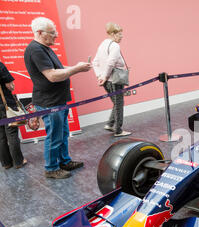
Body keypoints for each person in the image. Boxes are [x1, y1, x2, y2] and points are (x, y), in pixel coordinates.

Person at [24, 17, 91, 179]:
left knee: (62, 133)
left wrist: (76, 67)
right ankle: (51, 168)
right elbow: (52, 76)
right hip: (49, 102)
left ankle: (64, 161)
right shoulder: (36, 50)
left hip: (57, 100)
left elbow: (58, 69)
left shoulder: (45, 47)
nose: (55, 36)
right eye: (52, 33)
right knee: (54, 135)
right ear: (40, 33)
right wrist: (77, 69)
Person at [93, 22, 131, 137]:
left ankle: (110, 124)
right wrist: (104, 76)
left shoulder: (103, 44)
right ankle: (118, 130)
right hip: (114, 79)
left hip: (106, 81)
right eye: (120, 34)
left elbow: (95, 62)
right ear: (113, 34)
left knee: (116, 103)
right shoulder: (114, 45)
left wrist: (99, 76)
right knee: (119, 103)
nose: (122, 36)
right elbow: (110, 62)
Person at [0, 61, 27, 170]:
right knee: (11, 133)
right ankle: (18, 161)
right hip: (4, 105)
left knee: (1, 136)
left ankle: (6, 163)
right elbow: (10, 86)